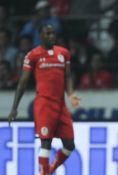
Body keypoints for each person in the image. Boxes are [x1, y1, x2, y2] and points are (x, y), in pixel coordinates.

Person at [7, 24, 80, 175]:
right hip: (44, 105)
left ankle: (48, 171)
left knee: (69, 145)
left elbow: (67, 76)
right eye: (47, 33)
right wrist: (14, 108)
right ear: (40, 36)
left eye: (53, 33)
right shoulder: (33, 55)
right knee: (46, 143)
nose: (51, 36)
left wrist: (71, 94)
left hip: (61, 106)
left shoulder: (64, 53)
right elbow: (23, 82)